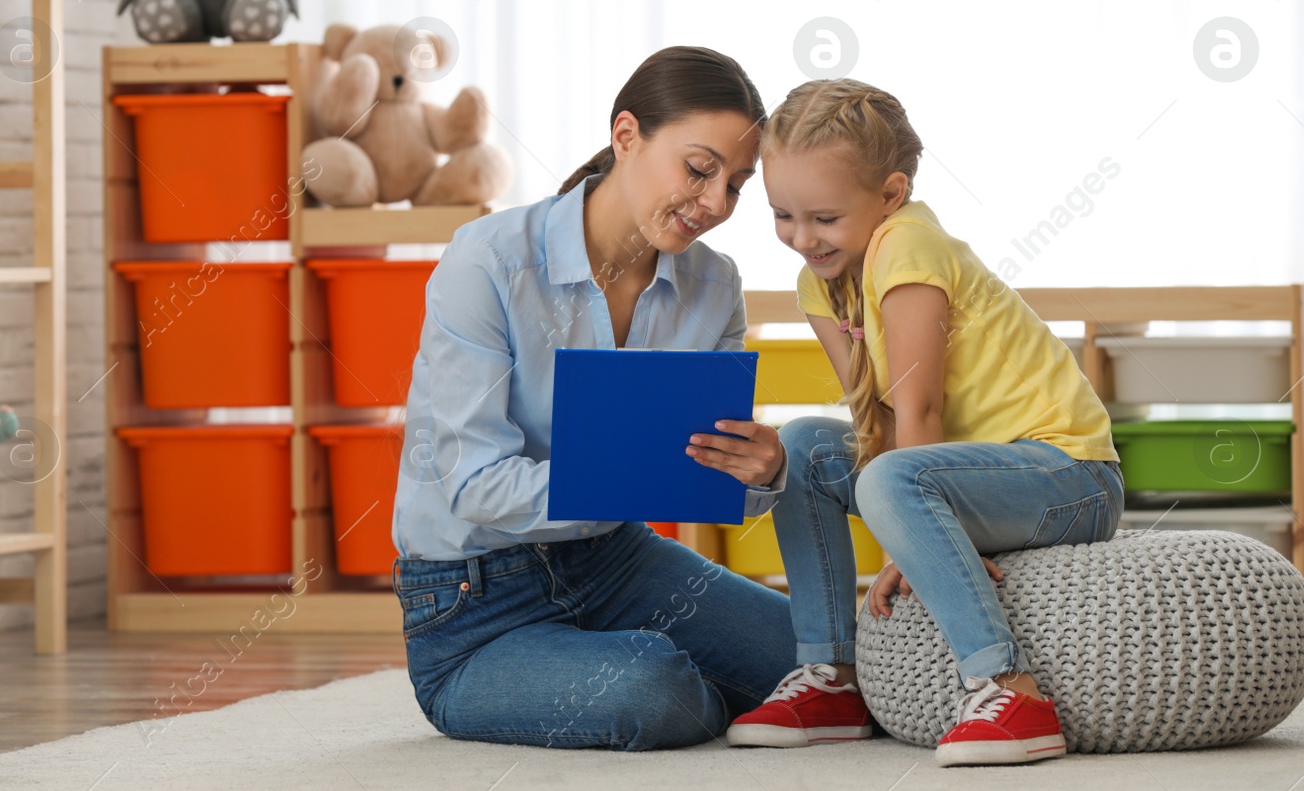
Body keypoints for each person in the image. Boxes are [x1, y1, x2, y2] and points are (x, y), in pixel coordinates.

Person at [391, 46, 797, 750]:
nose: (715, 203)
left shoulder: (715, 284)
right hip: (472, 601)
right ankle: (634, 667)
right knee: (656, 689)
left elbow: (709, 475)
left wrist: (761, 472)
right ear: (626, 135)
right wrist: (634, 479)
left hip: (614, 561)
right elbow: (474, 485)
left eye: (736, 184)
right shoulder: (487, 261)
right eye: (700, 169)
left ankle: (645, 659)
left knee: (814, 656)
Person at [726, 78, 1124, 767]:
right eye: (782, 214)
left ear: (890, 194)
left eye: (823, 216)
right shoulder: (817, 283)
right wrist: (911, 521)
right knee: (804, 446)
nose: (801, 237)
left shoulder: (907, 244)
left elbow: (918, 408)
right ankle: (834, 679)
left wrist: (901, 548)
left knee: (888, 478)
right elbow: (870, 414)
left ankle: (1009, 688)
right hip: (957, 478)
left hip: (1067, 476)